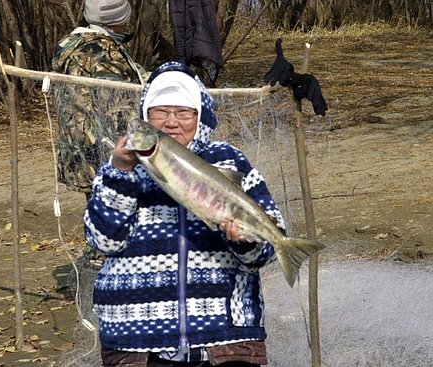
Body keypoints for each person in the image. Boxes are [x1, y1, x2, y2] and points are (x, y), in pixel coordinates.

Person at [83, 58, 326, 366]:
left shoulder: (229, 160)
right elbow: (102, 241)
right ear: (147, 115)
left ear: (200, 116)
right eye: (160, 112)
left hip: (227, 337)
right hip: (137, 341)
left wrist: (247, 242)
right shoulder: (122, 169)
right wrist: (120, 172)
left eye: (183, 112)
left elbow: (260, 255)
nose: (172, 122)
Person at [51, 0, 148, 199]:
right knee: (113, 213)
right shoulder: (104, 53)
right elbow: (119, 108)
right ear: (121, 17)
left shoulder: (76, 45)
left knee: (97, 209)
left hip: (80, 150)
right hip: (106, 153)